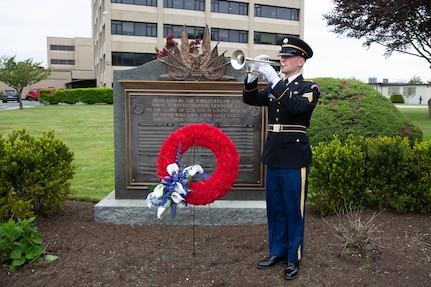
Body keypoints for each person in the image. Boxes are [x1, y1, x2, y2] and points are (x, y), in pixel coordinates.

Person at [242, 37, 320, 280]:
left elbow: (297, 108)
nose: (282, 60)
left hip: (295, 158)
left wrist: (274, 78)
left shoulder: (309, 88)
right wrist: (253, 76)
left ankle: (293, 257)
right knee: (275, 209)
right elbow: (251, 99)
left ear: (300, 61)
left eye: (287, 57)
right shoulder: (276, 87)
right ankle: (277, 252)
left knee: (293, 210)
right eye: (281, 56)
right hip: (274, 154)